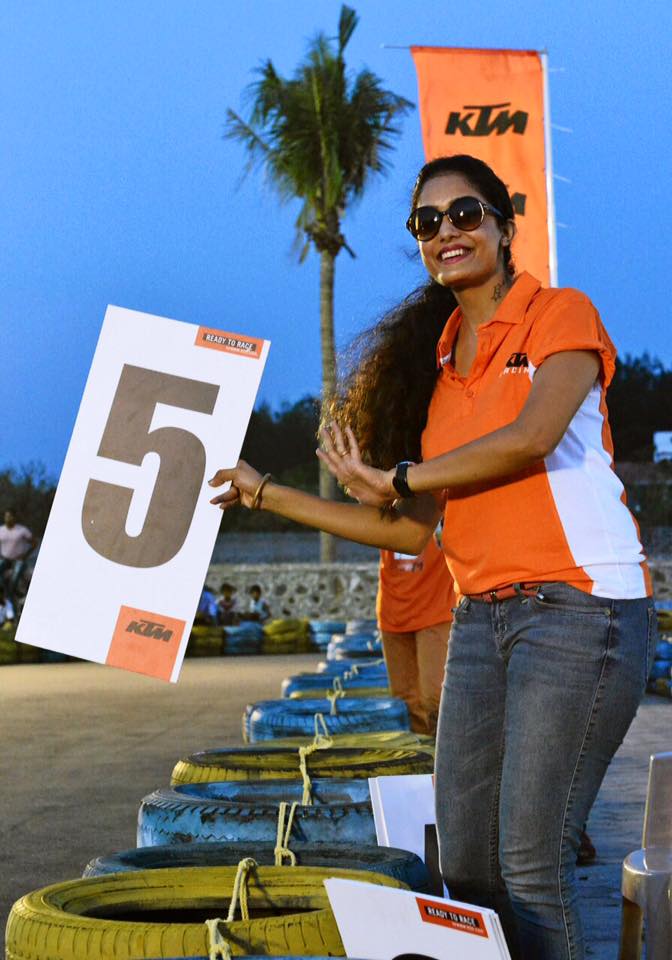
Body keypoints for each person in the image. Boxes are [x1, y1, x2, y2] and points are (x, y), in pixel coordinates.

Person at [209, 154, 654, 960]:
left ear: (504, 225)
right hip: (480, 619)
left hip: (581, 613)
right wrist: (263, 490)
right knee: (471, 866)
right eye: (428, 221)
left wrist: (402, 475)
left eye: (466, 213)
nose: (447, 231)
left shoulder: (560, 314)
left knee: (531, 858)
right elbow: (410, 529)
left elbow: (530, 438)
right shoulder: (442, 370)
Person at [377, 526, 454, 735]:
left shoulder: (440, 499)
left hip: (435, 609)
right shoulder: (384, 502)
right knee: (405, 701)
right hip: (392, 610)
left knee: (436, 699)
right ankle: (423, 759)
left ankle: (447, 760)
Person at [0, 509, 37, 609]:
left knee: (14, 578)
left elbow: (34, 543)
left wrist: (25, 555)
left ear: (14, 518)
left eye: (10, 516)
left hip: (18, 560)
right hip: (5, 559)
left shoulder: (22, 530)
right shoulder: (1, 530)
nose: (8, 518)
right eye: (6, 516)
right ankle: (5, 597)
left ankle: (15, 598)